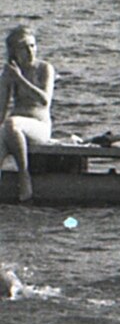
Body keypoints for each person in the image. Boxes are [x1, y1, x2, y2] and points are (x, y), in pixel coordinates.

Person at [3, 24, 57, 201]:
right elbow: (2, 109)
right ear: (14, 52)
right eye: (24, 48)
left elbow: (44, 100)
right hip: (15, 129)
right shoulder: (9, 72)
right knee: (4, 132)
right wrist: (7, 80)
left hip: (39, 128)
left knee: (11, 123)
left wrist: (19, 79)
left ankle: (23, 175)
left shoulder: (44, 68)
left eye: (32, 46)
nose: (30, 52)